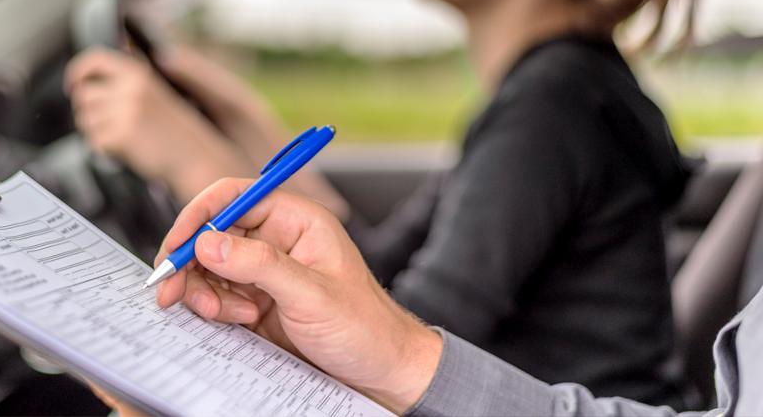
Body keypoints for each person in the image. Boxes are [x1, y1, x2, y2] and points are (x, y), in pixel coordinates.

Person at [66, 0, 725, 403]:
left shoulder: (554, 109)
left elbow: (397, 340)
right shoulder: (559, 89)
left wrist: (190, 159)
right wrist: (249, 132)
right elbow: (382, 276)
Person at [100, 178, 761, 416]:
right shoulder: (521, 106)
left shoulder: (550, 111)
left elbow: (433, 294)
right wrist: (400, 355)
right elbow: (387, 268)